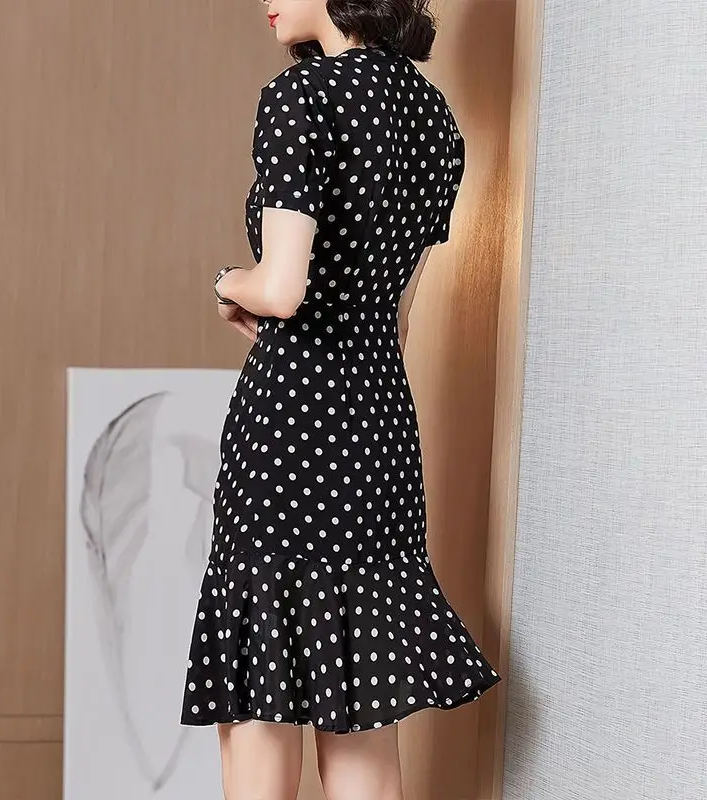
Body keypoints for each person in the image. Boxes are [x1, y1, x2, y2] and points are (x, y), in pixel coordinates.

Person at [180, 1, 501, 797]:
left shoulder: (303, 95)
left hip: (293, 424)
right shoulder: (434, 119)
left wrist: (226, 283)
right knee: (359, 701)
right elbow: (395, 319)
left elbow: (282, 289)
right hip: (379, 424)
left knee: (260, 694)